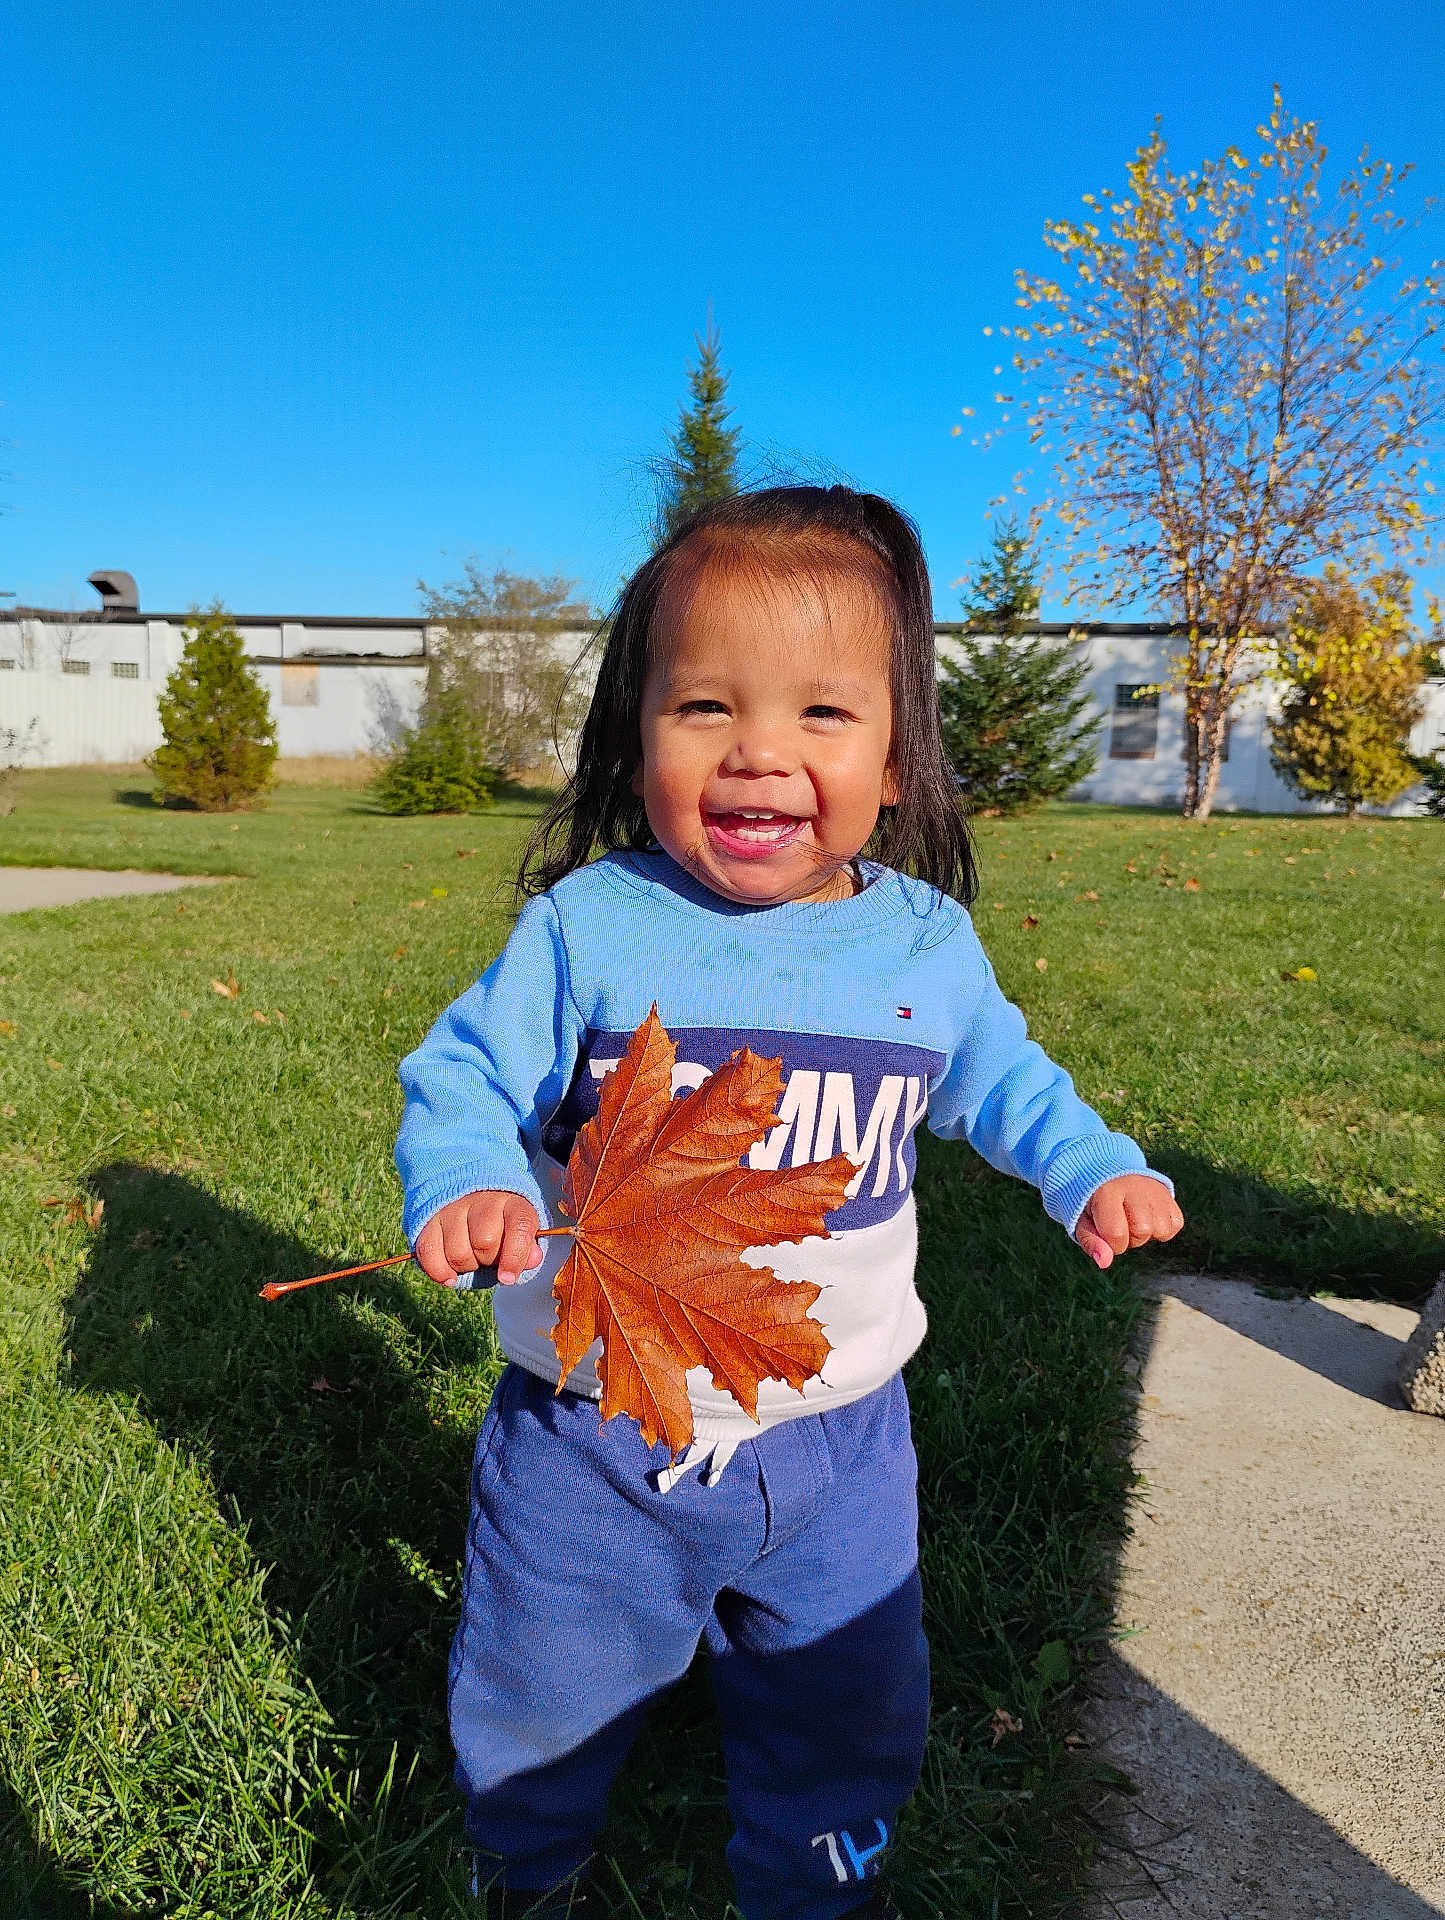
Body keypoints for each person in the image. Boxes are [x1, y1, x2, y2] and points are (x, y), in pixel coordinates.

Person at [395, 485, 1184, 1920]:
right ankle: (526, 1851)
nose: (758, 749)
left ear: (897, 760)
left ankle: (816, 1873)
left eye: (821, 715)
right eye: (703, 706)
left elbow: (1000, 1075)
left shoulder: (922, 942)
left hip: (840, 1444)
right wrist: (468, 1181)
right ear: (636, 738)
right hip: (593, 1429)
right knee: (543, 1673)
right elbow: (461, 1079)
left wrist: (1090, 1164)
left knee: (845, 1693)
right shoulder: (586, 927)